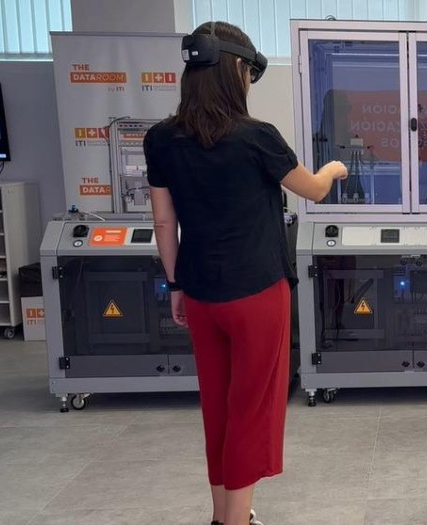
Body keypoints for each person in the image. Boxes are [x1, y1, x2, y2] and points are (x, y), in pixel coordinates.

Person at [143, 21, 347, 525]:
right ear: (237, 70)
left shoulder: (161, 139)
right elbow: (313, 190)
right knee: (252, 409)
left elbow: (164, 222)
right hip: (257, 293)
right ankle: (233, 522)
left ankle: (225, 514)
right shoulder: (256, 137)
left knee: (218, 407)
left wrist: (175, 285)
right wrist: (334, 168)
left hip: (200, 293)